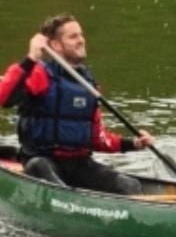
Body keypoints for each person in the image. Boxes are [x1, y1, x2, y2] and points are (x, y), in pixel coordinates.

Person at [0, 14, 155, 194]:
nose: (81, 40)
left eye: (81, 35)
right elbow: (5, 98)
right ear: (56, 45)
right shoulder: (39, 74)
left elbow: (97, 138)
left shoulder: (88, 84)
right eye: (73, 36)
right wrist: (31, 57)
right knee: (40, 167)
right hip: (42, 161)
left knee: (130, 186)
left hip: (79, 164)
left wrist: (133, 144)